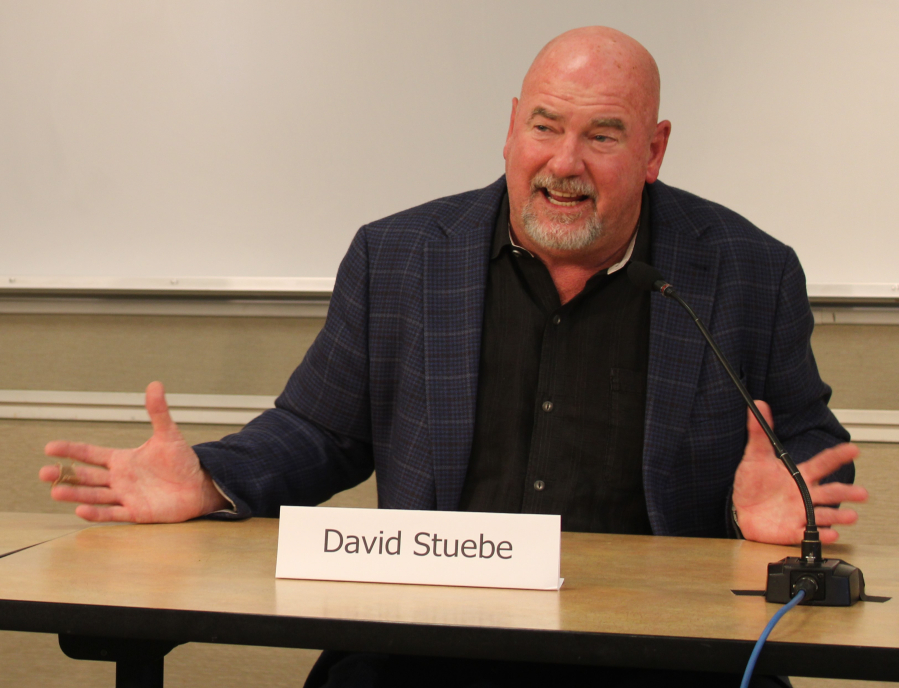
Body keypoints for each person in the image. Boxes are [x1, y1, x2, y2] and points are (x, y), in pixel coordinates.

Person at [40, 26, 866, 687]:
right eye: (545, 126)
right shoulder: (398, 256)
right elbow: (318, 432)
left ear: (652, 151)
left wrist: (777, 516)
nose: (564, 162)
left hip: (659, 658)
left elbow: (802, 453)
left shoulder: (746, 271)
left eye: (602, 135)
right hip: (423, 648)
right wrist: (210, 480)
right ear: (511, 127)